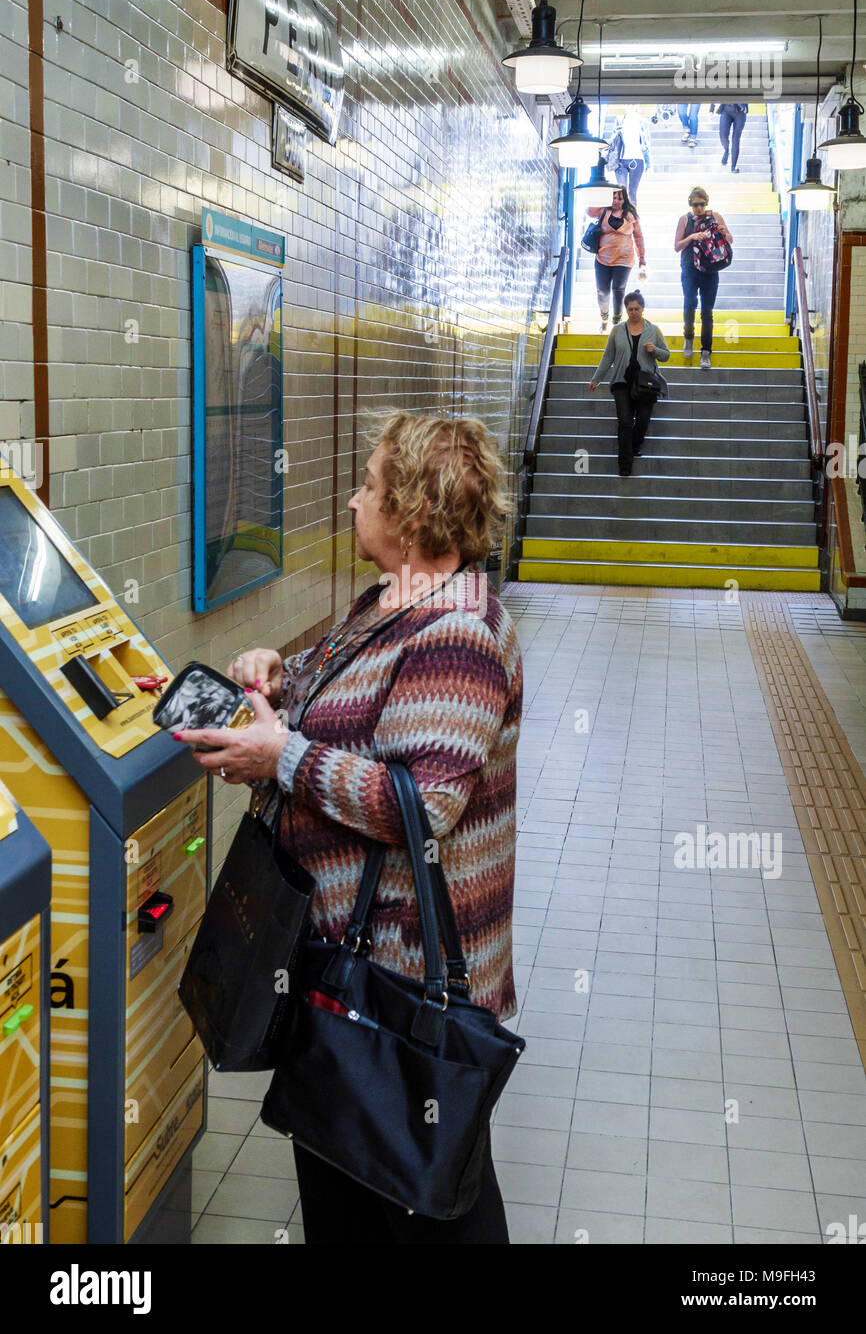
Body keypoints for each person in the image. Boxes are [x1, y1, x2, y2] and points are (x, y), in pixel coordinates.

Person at [174, 410, 523, 1247]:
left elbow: (421, 805)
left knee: (421, 1192)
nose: (355, 498)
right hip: (347, 966)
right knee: (362, 1180)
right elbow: (352, 706)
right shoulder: (395, 601)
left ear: (412, 512)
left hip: (398, 981)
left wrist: (279, 757)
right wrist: (276, 682)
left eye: (369, 484)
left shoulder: (458, 635)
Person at [588, 290, 670, 477]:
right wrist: (596, 379)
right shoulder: (617, 330)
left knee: (642, 419)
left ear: (642, 309)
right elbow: (608, 356)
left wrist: (654, 350)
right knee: (625, 421)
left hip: (645, 383)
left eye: (637, 309)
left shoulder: (653, 329)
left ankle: (635, 445)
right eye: (630, 309)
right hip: (621, 382)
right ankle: (625, 465)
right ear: (626, 310)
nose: (633, 312)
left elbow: (666, 355)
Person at [674, 185, 733, 370]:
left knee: (707, 312)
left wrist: (724, 232)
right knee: (690, 302)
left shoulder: (715, 217)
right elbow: (677, 246)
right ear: (691, 204)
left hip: (710, 268)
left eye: (701, 204)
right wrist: (692, 236)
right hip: (690, 267)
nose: (698, 208)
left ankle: (706, 351)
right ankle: (689, 336)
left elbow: (730, 240)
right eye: (695, 205)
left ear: (706, 203)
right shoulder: (685, 219)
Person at [586, 186, 647, 334]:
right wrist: (603, 198)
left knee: (618, 289)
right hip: (603, 259)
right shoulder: (603, 211)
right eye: (614, 197)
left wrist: (642, 259)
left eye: (620, 198)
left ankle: (617, 321)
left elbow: (638, 237)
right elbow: (589, 210)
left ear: (624, 199)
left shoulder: (631, 215)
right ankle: (604, 317)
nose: (617, 201)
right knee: (602, 291)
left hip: (624, 260)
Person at [606, 109, 652, 203]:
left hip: (637, 160)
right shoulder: (619, 119)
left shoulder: (643, 122)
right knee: (622, 192)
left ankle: (631, 216)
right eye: (629, 104)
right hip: (621, 161)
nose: (631, 105)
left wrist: (648, 163)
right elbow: (613, 139)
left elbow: (646, 144)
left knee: (632, 192)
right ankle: (621, 216)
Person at [711, 101, 748, 172]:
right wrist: (711, 109)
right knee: (723, 136)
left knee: (735, 139)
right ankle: (726, 151)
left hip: (740, 111)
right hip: (726, 110)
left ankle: (733, 167)